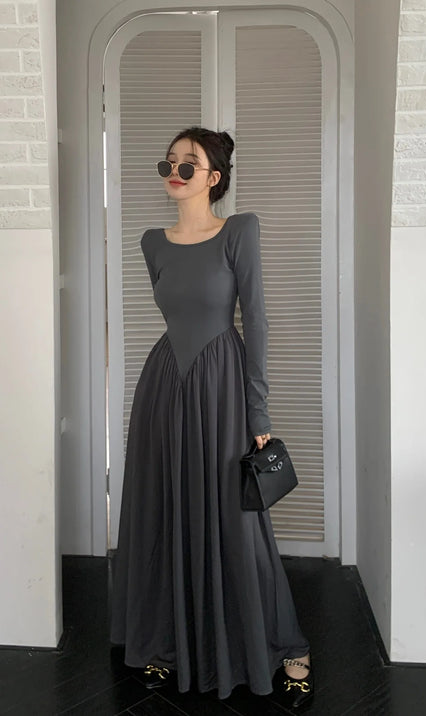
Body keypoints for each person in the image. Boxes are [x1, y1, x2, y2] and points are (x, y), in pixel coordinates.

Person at [109, 126, 313, 709]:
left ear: (213, 177)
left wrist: (257, 408)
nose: (174, 172)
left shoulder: (239, 231)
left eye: (188, 164)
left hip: (222, 386)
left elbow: (257, 320)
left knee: (235, 519)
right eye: (168, 162)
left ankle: (281, 643)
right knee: (164, 510)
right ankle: (167, 641)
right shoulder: (152, 242)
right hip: (164, 387)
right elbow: (174, 314)